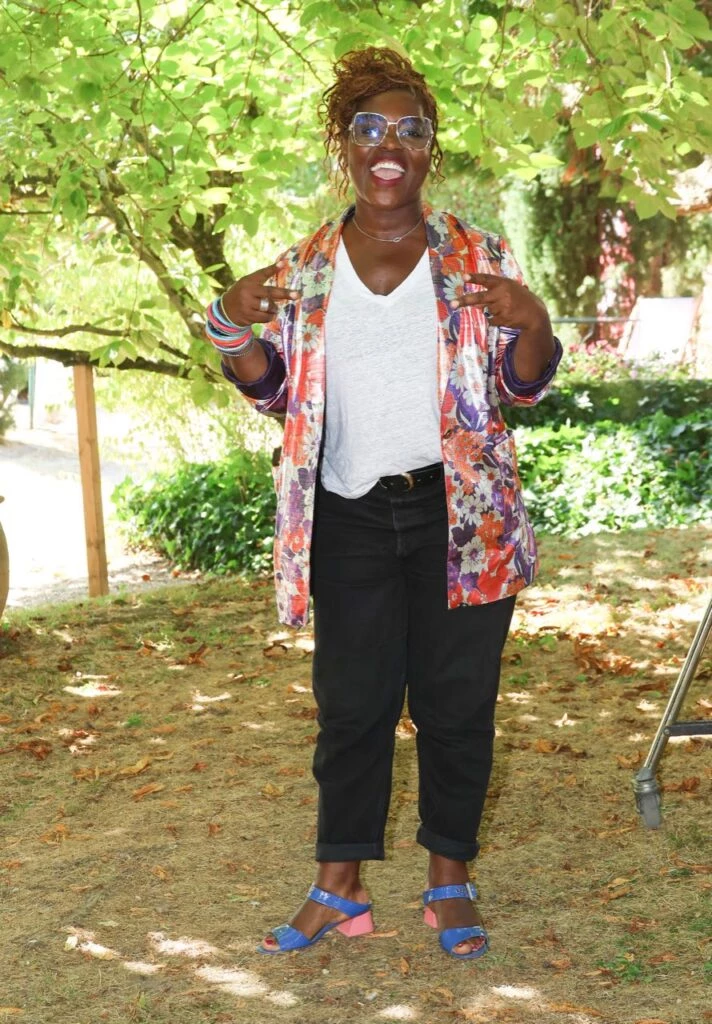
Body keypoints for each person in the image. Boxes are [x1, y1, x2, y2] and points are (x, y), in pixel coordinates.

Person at [204, 46, 562, 960]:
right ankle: (341, 887)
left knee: (456, 705)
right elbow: (274, 391)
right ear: (344, 144)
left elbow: (520, 387)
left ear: (430, 148)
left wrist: (532, 321)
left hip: (463, 515)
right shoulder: (306, 266)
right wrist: (229, 321)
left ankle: (450, 879)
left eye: (410, 129)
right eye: (369, 128)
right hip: (348, 513)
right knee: (352, 708)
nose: (389, 145)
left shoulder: (477, 255)